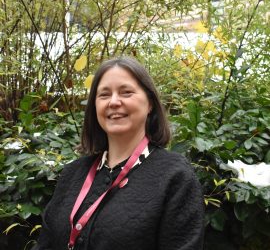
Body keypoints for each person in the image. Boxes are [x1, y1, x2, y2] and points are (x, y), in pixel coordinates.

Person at [33, 56, 205, 250]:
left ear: (149, 104)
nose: (114, 102)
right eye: (104, 95)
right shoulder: (72, 174)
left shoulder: (175, 177)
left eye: (126, 92)